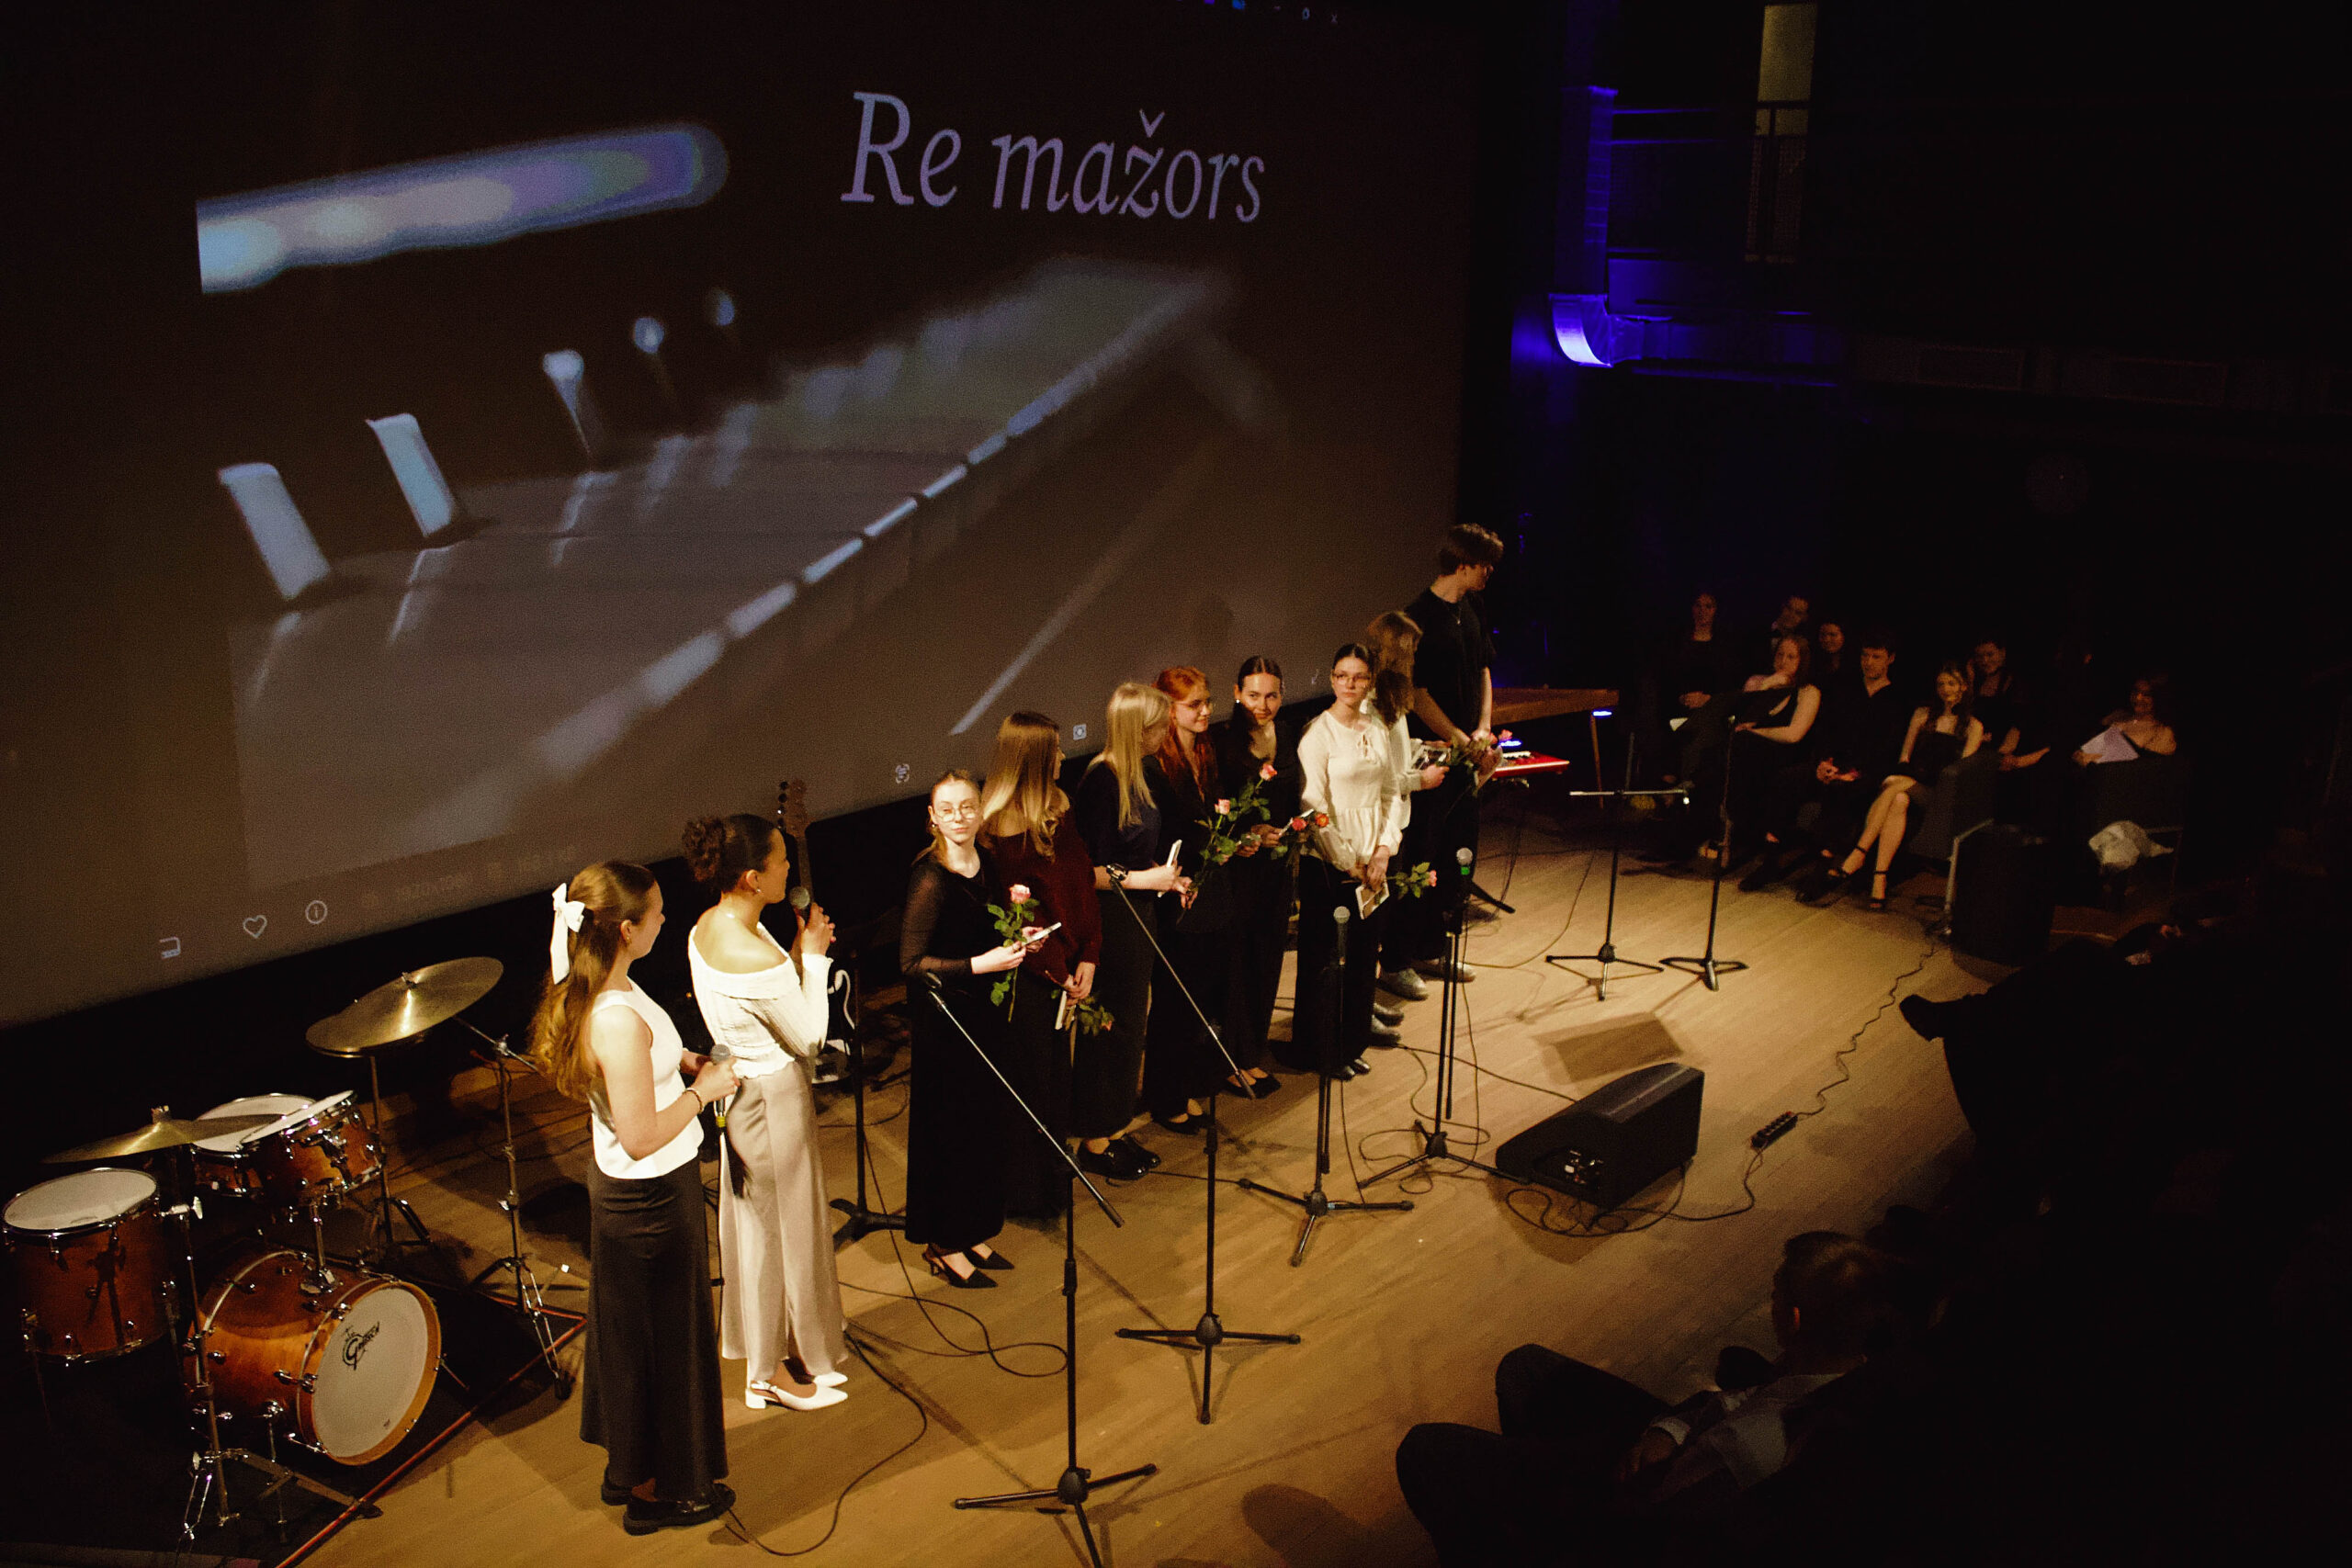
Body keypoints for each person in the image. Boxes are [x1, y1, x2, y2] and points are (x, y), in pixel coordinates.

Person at [1395, 1232, 1895, 1568]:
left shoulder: (1753, 1447)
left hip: (1637, 1518)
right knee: (1524, 1368)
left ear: (1794, 1319)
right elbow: (1735, 1400)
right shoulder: (1847, 1370)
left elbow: (1662, 1519)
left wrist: (1591, 1484)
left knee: (1426, 1450)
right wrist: (1666, 1430)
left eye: (1775, 1297)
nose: (1771, 1307)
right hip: (1678, 1451)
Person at [531, 862, 736, 1535]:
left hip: (644, 1197)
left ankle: (641, 1472)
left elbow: (643, 1067)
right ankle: (658, 1492)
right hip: (648, 1201)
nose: (665, 919)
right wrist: (703, 1094)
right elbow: (642, 1136)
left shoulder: (607, 983)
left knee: (647, 1341)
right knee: (660, 1348)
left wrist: (685, 1064)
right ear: (625, 929)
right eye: (656, 912)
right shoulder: (614, 1018)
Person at [682, 816, 850, 1412]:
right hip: (772, 1098)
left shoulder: (710, 926)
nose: (788, 870)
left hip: (744, 1096)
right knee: (777, 1234)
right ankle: (767, 1373)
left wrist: (797, 957)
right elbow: (809, 1039)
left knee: (769, 1230)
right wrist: (815, 960)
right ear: (753, 877)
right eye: (780, 861)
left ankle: (794, 1348)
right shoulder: (754, 953)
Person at [898, 771, 1042, 1288]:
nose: (958, 817)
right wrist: (982, 964)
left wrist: (1020, 937)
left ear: (980, 811)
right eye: (947, 809)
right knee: (952, 1135)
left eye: (967, 807)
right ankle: (944, 1242)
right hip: (947, 1025)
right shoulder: (930, 878)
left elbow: (985, 929)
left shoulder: (988, 861)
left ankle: (973, 1228)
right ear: (932, 818)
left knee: (983, 1128)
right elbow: (911, 964)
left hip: (983, 1018)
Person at [1294, 642, 1441, 1077]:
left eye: (1358, 677)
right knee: (1326, 962)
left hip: (1373, 863)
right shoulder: (1318, 734)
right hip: (1331, 865)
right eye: (1342, 676)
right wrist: (1348, 860)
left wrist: (1382, 851)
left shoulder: (1375, 727)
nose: (1350, 684)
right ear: (1332, 679)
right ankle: (1320, 1051)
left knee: (1361, 959)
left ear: (1369, 681)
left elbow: (1391, 792)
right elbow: (1314, 807)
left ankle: (1350, 1043)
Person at [978, 711, 1102, 1217]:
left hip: (1067, 966)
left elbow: (1081, 886)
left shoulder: (1059, 806)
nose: (1063, 757)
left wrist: (1090, 952)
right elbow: (1022, 917)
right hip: (1030, 979)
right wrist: (1059, 972)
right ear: (1032, 759)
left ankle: (1053, 1184)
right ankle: (1028, 1193)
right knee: (1032, 1085)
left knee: (1057, 1082)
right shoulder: (999, 829)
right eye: (1054, 750)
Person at [1073, 682, 1190, 1180]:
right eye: (1160, 726)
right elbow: (1087, 872)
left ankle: (1115, 1126)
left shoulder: (1142, 772)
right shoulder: (1102, 781)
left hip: (1138, 914)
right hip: (1111, 921)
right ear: (1137, 729)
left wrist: (1170, 879)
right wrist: (1147, 880)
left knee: (1131, 1026)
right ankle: (1095, 1138)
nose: (1166, 733)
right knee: (1112, 1028)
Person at [1389, 522, 1505, 999]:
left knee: (1457, 854)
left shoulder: (1473, 607)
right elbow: (1416, 694)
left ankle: (1433, 946)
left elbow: (1484, 668)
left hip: (1467, 752)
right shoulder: (1416, 618)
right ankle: (1397, 959)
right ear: (1462, 564)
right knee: (1420, 854)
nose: (1489, 573)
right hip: (1432, 757)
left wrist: (1483, 727)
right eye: (1484, 565)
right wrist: (1459, 739)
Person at [1815, 661, 1984, 911]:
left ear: (1964, 687)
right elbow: (1904, 757)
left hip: (1938, 792)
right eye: (1941, 684)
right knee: (1898, 800)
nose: (1945, 689)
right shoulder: (1922, 715)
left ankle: (1859, 853)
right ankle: (1879, 880)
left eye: (1952, 683)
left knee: (1893, 783)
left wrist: (1905, 781)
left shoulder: (1973, 726)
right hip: (1910, 783)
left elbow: (1960, 774)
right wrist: (1907, 779)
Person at [1143, 666, 1233, 1134]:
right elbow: (1159, 836)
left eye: (1207, 701)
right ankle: (1165, 1095)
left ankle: (1189, 1082)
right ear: (1168, 708)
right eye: (1194, 704)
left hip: (1209, 890)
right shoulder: (1154, 765)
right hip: (1174, 897)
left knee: (1201, 995)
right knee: (1174, 1001)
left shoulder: (1204, 751)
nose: (1205, 711)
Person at [1210, 656, 1302, 1098]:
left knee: (1268, 957)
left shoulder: (1288, 733)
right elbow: (1214, 806)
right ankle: (1231, 1059)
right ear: (1236, 693)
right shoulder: (1222, 741)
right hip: (1239, 867)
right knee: (1237, 962)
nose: (1262, 705)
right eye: (1252, 695)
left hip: (1277, 865)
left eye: (1271, 695)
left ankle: (1251, 1052)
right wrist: (1246, 833)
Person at [1715, 632, 1821, 869]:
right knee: (1735, 749)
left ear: (1802, 661)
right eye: (1780, 654)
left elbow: (1793, 735)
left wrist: (1757, 732)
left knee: (1745, 748)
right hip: (1751, 753)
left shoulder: (1808, 692)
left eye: (1791, 657)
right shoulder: (1757, 682)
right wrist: (1767, 686)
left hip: (1785, 753)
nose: (1783, 661)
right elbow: (1742, 721)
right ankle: (1728, 834)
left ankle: (1739, 838)